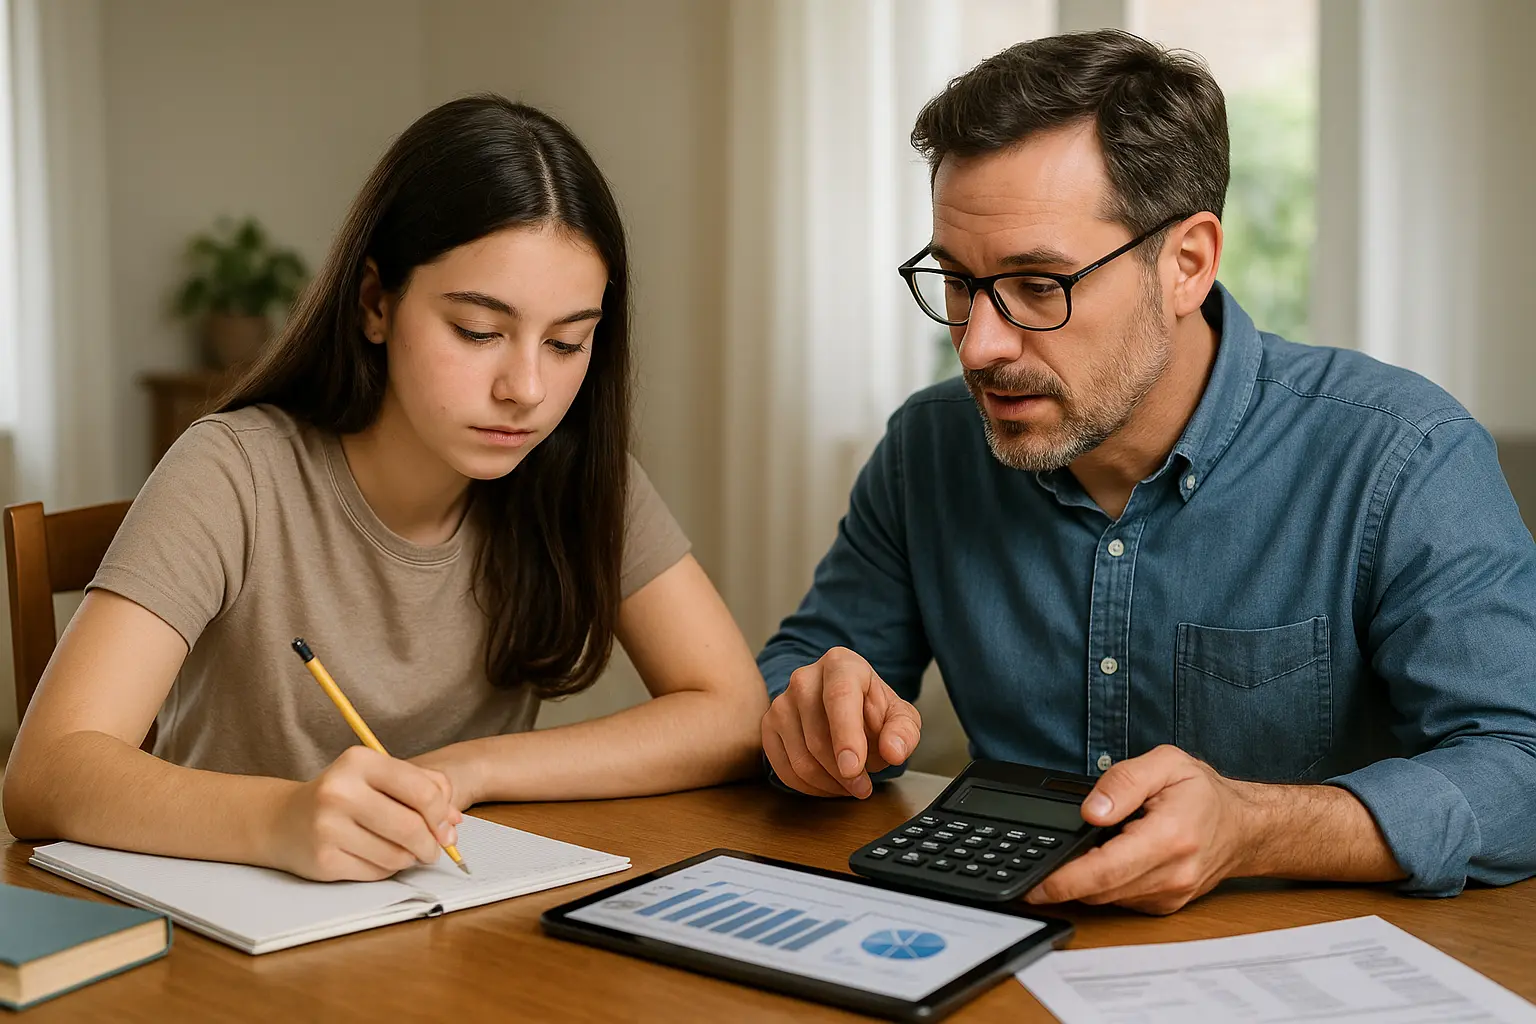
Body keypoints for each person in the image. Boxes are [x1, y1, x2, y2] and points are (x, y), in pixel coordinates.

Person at [758, 30, 1536, 914]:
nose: (977, 345)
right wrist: (813, 710)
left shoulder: (1401, 454)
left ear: (1188, 263)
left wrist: (1257, 825)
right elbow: (804, 665)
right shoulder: (928, 448)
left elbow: (1521, 766)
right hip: (993, 954)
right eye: (960, 281)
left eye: (1039, 285)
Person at [4, 96, 767, 882]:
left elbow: (734, 712)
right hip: (227, 939)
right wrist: (281, 819)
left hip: (441, 930)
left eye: (568, 341)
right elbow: (44, 774)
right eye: (478, 331)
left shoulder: (575, 470)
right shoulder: (233, 473)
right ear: (376, 302)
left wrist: (466, 771)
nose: (528, 388)